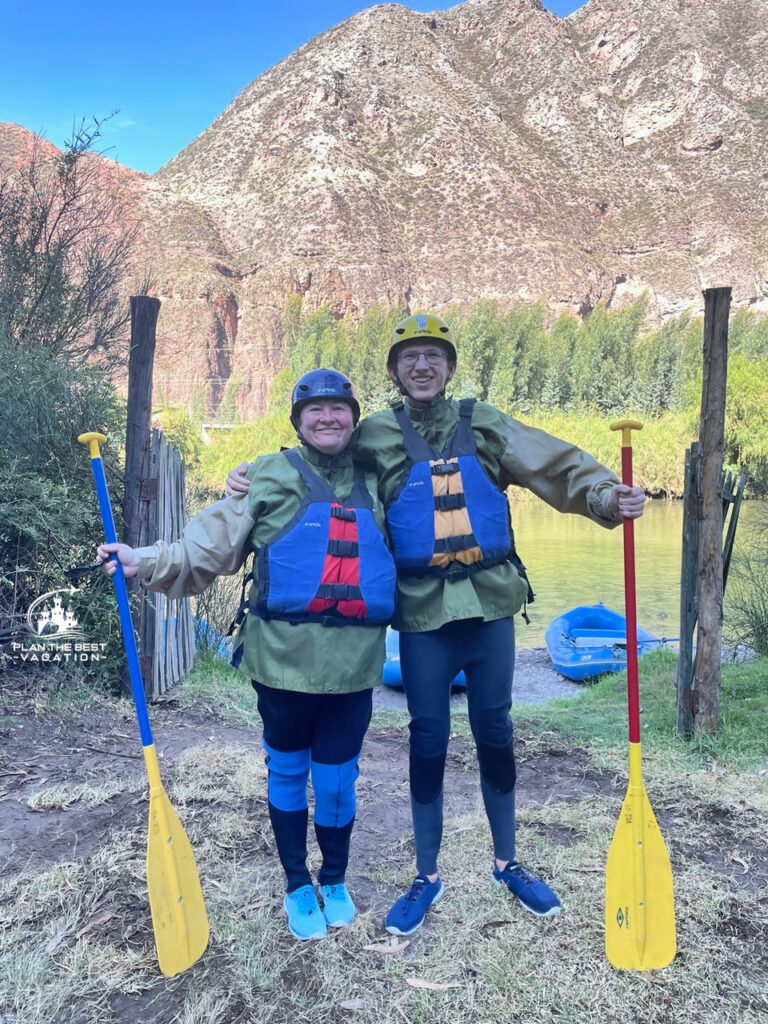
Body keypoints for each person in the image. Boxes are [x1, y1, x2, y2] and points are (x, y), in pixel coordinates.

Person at [226, 313, 646, 936]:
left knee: (496, 732)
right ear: (394, 372)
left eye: (433, 356)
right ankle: (426, 875)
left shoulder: (486, 424)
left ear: (449, 366)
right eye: (409, 358)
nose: (421, 367)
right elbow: (315, 450)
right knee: (427, 738)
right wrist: (247, 474)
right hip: (422, 615)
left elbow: (556, 466)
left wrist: (607, 498)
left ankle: (508, 862)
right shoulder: (374, 434)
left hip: (492, 609)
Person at [99, 369, 396, 942]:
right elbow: (204, 545)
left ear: (355, 418)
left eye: (339, 409)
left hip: (354, 664)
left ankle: (333, 878)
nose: (328, 418)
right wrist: (145, 561)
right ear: (298, 421)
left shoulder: (380, 480)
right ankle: (295, 882)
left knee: (337, 781)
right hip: (281, 661)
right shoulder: (268, 475)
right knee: (288, 771)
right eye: (316, 410)